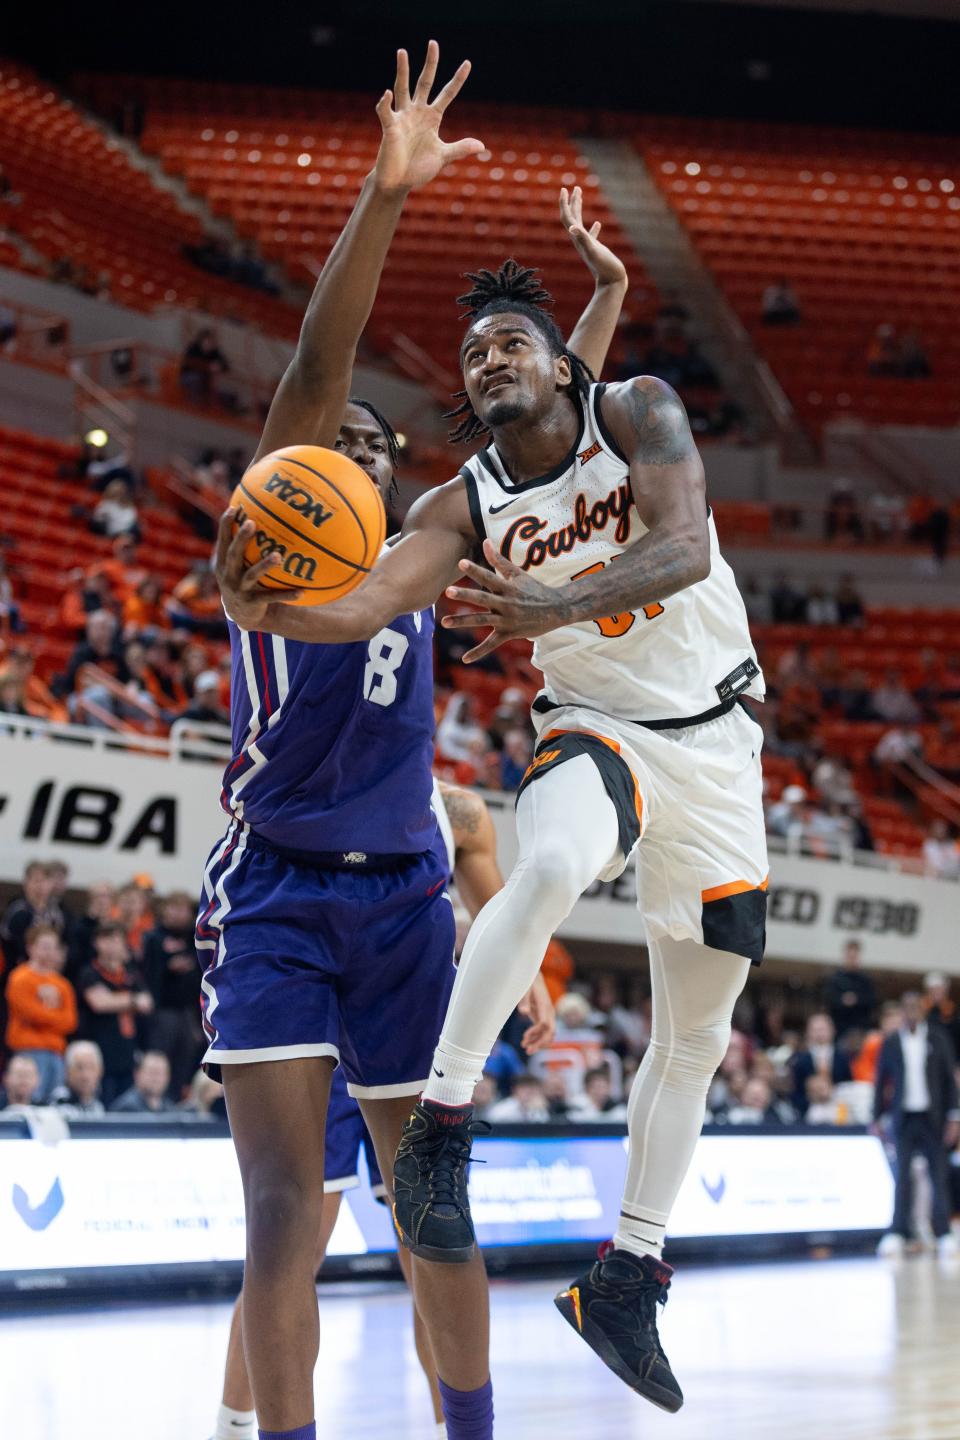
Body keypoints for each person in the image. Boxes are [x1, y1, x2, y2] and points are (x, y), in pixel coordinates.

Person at [218, 197, 768, 1422]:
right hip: (569, 740)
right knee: (554, 860)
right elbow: (358, 594)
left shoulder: (637, 409)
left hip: (719, 739)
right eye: (472, 354)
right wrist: (265, 608)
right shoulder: (433, 515)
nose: (487, 359)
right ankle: (440, 1135)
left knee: (707, 1016)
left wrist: (609, 299)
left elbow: (681, 545)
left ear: (568, 358)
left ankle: (628, 1273)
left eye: (512, 342)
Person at [205, 45, 620, 1440]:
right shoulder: (281, 543)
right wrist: (384, 196)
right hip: (273, 891)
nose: (364, 452)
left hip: (401, 905)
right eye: (346, 444)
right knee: (281, 1223)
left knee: (430, 1216)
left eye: (387, 444)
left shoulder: (439, 538)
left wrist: (595, 315)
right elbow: (322, 362)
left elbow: (554, 443)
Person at [205, 778, 555, 1440]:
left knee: (426, 1236)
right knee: (291, 1242)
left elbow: (500, 911)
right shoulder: (301, 780)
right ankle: (231, 1427)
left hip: (402, 1022)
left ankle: (448, 1422)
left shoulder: (461, 812)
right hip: (312, 1047)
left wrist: (530, 976)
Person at [875, 992, 959, 1259]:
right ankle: (898, 1232)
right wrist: (876, 1117)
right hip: (904, 1118)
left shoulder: (938, 1039)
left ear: (922, 1011)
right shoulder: (891, 1042)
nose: (911, 1012)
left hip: (932, 1118)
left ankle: (943, 1232)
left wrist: (954, 1117)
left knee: (938, 1175)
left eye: (915, 1007)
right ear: (901, 1011)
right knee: (902, 1177)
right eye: (906, 1007)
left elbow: (949, 1081)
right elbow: (881, 1082)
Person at [77, 920, 153, 1105]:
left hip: (127, 1051)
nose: (112, 944)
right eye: (106, 939)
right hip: (100, 1051)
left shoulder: (130, 973)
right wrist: (132, 1000)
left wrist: (116, 999)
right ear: (97, 943)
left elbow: (148, 1003)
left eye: (116, 940)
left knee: (125, 1104)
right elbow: (100, 1003)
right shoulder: (90, 972)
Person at [143, 891, 206, 1099]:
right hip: (163, 1011)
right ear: (164, 910)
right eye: (173, 907)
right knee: (160, 1060)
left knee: (186, 1060)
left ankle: (177, 1100)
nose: (178, 913)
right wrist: (169, 967)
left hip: (188, 1013)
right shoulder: (153, 937)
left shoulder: (195, 938)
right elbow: (148, 974)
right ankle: (156, 1101)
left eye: (183, 909)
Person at [5, 924, 78, 1099]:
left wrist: (45, 1015)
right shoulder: (19, 978)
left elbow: (70, 1022)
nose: (49, 952)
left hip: (56, 1053)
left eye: (53, 947)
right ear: (31, 947)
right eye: (44, 946)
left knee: (55, 1102)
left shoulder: (62, 984)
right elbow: (28, 1013)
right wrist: (54, 1017)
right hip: (28, 1052)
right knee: (30, 1100)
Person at [1, 861, 67, 967]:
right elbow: (16, 948)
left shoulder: (57, 913)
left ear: (51, 884)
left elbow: (61, 943)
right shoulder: (18, 910)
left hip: (49, 969)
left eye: (45, 881)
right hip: (18, 968)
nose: (40, 886)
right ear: (26, 883)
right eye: (36, 881)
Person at [791, 1013, 853, 1116]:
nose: (819, 1033)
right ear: (807, 1032)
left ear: (832, 1030)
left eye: (823, 1029)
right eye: (815, 1030)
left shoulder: (843, 1058)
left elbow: (849, 1086)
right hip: (808, 1114)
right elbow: (796, 1092)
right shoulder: (799, 1060)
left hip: (840, 1112)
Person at [823, 939, 877, 1038]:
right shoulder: (835, 979)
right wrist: (843, 1000)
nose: (852, 959)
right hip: (839, 1029)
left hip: (860, 1030)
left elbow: (871, 1001)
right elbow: (829, 1000)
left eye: (854, 956)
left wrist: (856, 1000)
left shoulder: (865, 981)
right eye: (849, 956)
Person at [50, 1039, 106, 1114]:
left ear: (100, 1071)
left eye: (91, 1067)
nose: (85, 1076)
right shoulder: (59, 1102)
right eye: (79, 1068)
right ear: (67, 1071)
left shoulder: (99, 1105)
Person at [110, 1051, 175, 1113]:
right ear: (137, 1074)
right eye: (151, 1072)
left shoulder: (171, 1110)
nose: (156, 1078)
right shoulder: (125, 1109)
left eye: (160, 1073)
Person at [923, 972, 960, 1064]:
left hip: (950, 1057)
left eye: (940, 989)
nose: (937, 992)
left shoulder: (952, 1011)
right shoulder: (922, 1009)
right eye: (934, 989)